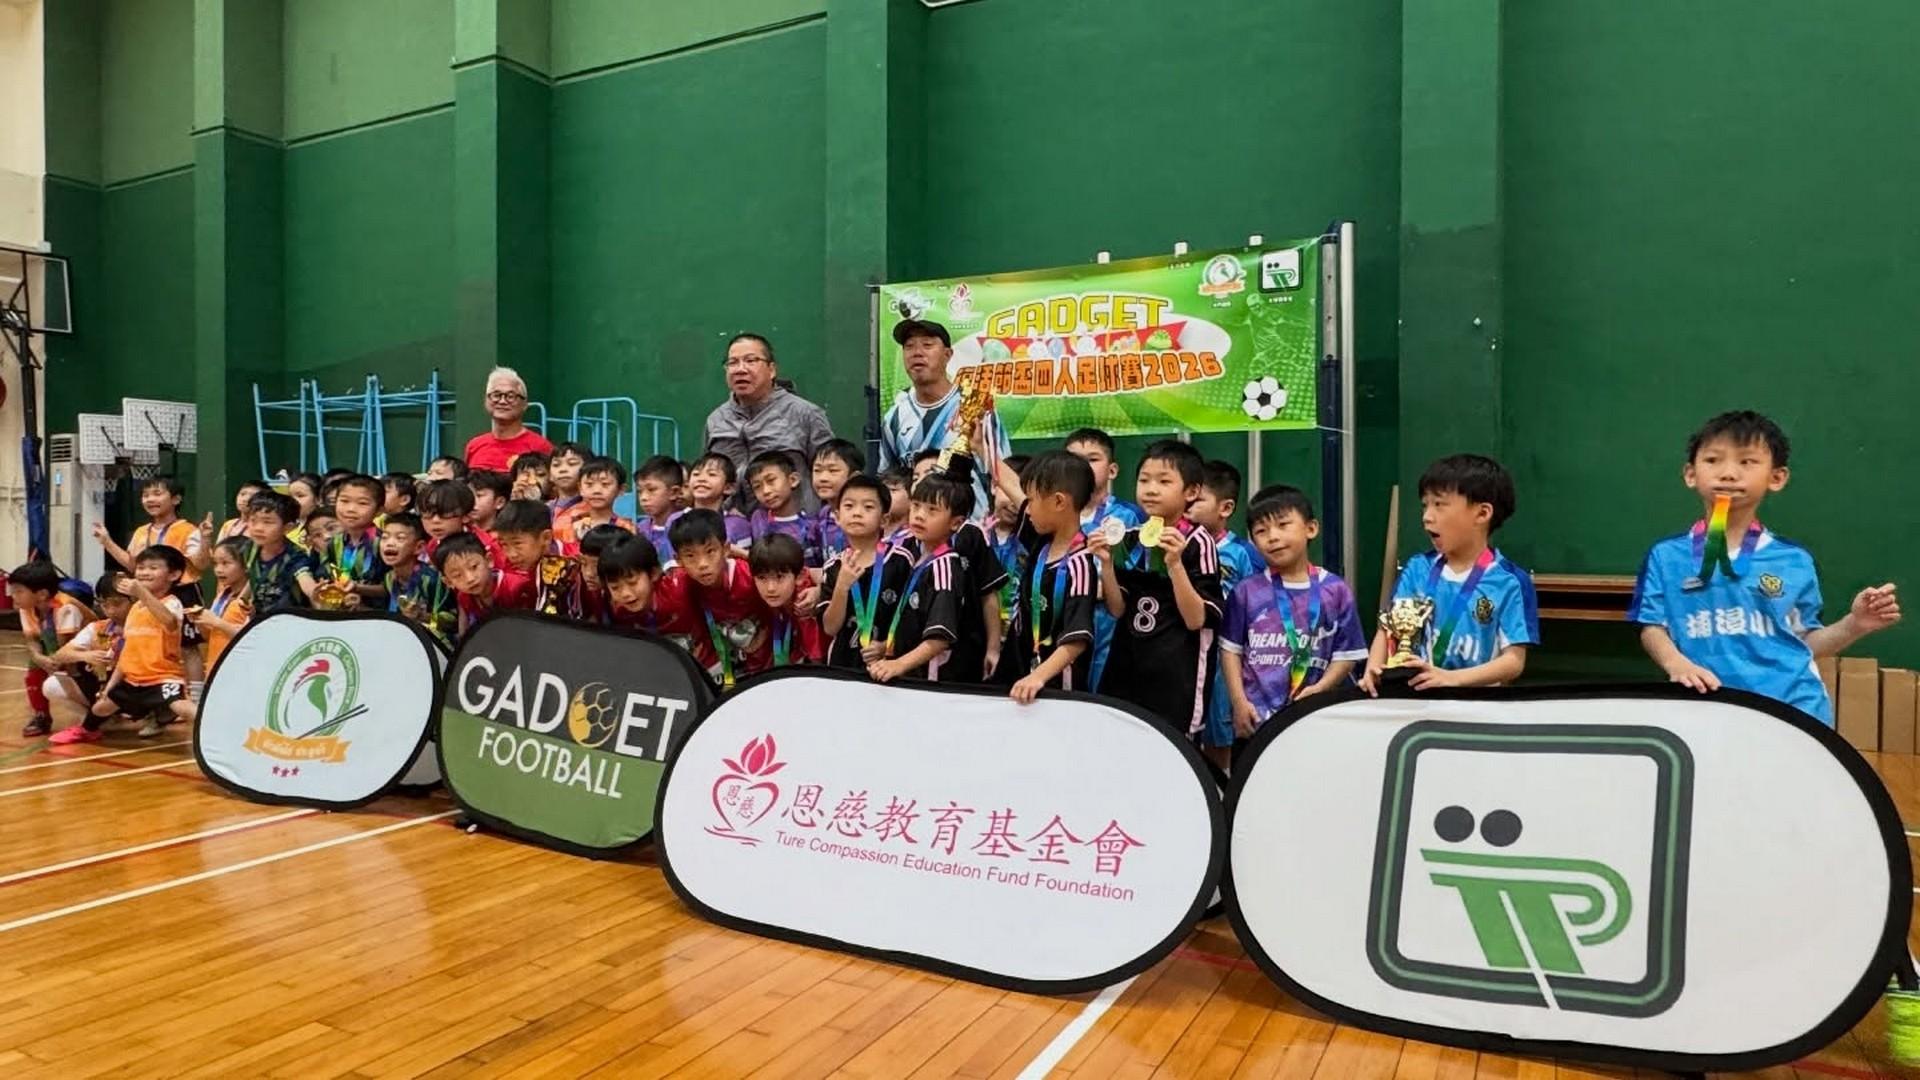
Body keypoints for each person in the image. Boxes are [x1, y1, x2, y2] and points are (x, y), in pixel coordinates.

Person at [1630, 411, 1899, 724]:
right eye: (1713, 460)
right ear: (1690, 474)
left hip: (1791, 709)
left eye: (1747, 462)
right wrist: (1677, 664)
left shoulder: (1794, 560)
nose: (1728, 474)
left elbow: (1804, 642)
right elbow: (1652, 627)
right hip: (1705, 707)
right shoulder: (1665, 556)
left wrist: (1855, 624)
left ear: (1777, 477)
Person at [1359, 454, 1539, 695]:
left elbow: (1513, 662)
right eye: (1425, 505)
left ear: (1482, 514)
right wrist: (1372, 668)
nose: (1427, 516)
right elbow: (1387, 630)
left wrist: (1451, 679)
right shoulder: (1417, 569)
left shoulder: (1510, 582)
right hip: (1413, 699)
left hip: (1475, 703)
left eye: (1439, 504)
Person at [1219, 486, 1367, 754]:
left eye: (1283, 525)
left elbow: (1347, 654)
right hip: (1256, 721)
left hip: (1316, 719)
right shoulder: (1246, 591)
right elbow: (1231, 651)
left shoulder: (1335, 590)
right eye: (1261, 531)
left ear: (1311, 528)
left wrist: (1321, 689)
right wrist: (1239, 702)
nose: (1273, 537)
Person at [1096, 440, 1225, 734]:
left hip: (1177, 674)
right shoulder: (1131, 537)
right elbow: (1117, 609)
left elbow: (1196, 620)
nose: (1151, 489)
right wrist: (1106, 564)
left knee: (1172, 748)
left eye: (1164, 481)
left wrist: (1175, 564)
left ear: (1191, 492)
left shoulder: (1198, 541)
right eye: (1144, 480)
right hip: (1127, 669)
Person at [54, 545, 194, 742]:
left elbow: (169, 621)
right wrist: (111, 685)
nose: (144, 572)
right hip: (133, 678)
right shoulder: (135, 609)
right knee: (100, 707)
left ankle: (215, 728)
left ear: (174, 574)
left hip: (162, 676)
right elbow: (128, 649)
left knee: (182, 707)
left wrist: (142, 593)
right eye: (141, 567)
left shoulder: (172, 602)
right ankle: (87, 730)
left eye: (153, 568)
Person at [878, 319, 1010, 520]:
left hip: (971, 526)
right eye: (909, 346)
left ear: (947, 355)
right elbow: (888, 479)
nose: (917, 353)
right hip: (917, 529)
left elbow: (1003, 472)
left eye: (927, 345)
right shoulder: (894, 417)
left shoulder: (976, 407)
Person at [998, 451, 1102, 702]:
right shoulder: (1041, 540)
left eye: (1031, 500)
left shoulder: (1080, 563)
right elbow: (1010, 484)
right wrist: (982, 447)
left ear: (1058, 502)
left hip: (1055, 686)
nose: (1025, 509)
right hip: (1020, 672)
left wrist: (1038, 677)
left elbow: (1077, 639)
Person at [703, 333, 834, 512]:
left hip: (794, 525)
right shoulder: (716, 420)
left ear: (772, 370)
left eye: (751, 360)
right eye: (732, 363)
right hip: (731, 525)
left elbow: (831, 475)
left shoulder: (805, 414)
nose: (740, 369)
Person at [1062, 429, 1145, 692]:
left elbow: (1133, 579)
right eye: (1074, 459)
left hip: (1110, 627)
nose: (1082, 467)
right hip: (1064, 622)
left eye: (1092, 459)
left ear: (1112, 470)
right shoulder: (1057, 513)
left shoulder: (1129, 517)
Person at [867, 472, 970, 683]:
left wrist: (898, 664)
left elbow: (939, 639)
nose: (920, 515)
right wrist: (887, 647)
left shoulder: (944, 567)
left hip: (931, 679)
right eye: (916, 506)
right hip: (909, 672)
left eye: (932, 510)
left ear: (956, 522)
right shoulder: (918, 557)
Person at [1190, 461, 1261, 760]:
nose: (1189, 505)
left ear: (1226, 508)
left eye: (1198, 499)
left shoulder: (1244, 554)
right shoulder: (1174, 545)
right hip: (1187, 649)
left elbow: (1257, 609)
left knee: (1219, 735)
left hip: (1224, 656)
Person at [668, 509, 773, 686]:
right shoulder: (682, 585)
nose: (702, 564)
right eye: (690, 556)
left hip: (770, 667)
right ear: (678, 560)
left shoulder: (752, 576)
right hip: (724, 673)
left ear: (725, 549)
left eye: (710, 551)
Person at [818, 474, 913, 671]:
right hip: (842, 666)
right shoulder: (833, 566)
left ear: (884, 519)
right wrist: (842, 586)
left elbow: (912, 620)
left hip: (889, 665)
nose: (857, 513)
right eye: (849, 506)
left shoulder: (901, 560)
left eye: (868, 507)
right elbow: (830, 628)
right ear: (837, 516)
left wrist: (887, 646)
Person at [10, 560, 96, 736]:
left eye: (19, 591)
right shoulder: (26, 607)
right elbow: (32, 640)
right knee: (34, 669)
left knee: (57, 679)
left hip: (88, 658)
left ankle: (96, 713)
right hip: (61, 649)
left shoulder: (66, 607)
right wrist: (39, 658)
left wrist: (52, 661)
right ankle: (41, 715)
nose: (13, 596)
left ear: (42, 594)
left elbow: (67, 647)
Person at [95, 476, 204, 608]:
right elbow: (133, 565)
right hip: (147, 592)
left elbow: (201, 565)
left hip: (182, 592)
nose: (150, 499)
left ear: (176, 499)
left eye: (157, 494)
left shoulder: (188, 530)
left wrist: (206, 540)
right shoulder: (141, 531)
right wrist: (107, 542)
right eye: (145, 495)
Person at [435, 532, 535, 638]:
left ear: (489, 560)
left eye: (474, 567)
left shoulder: (517, 586)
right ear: (449, 582)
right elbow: (465, 633)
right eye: (457, 575)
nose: (470, 579)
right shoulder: (464, 597)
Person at [748, 534, 826, 667]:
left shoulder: (804, 602)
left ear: (799, 576)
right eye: (762, 578)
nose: (770, 588)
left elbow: (817, 661)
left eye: (779, 577)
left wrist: (820, 590)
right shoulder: (757, 591)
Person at [381, 512, 456, 646]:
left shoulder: (433, 579)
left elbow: (451, 624)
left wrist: (422, 616)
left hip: (435, 645)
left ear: (419, 547)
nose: (389, 543)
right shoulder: (389, 578)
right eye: (385, 537)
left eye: (400, 538)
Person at [464, 366, 554, 472]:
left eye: (510, 396)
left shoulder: (540, 447)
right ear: (486, 400)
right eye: (496, 395)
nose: (502, 401)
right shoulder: (474, 446)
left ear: (524, 404)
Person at [241, 491, 314, 615]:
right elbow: (254, 578)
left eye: (267, 522)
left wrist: (314, 592)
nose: (258, 528)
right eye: (253, 520)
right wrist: (244, 599)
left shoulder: (296, 555)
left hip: (291, 619)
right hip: (260, 619)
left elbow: (304, 578)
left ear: (288, 528)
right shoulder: (249, 548)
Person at [747, 451, 824, 567]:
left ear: (793, 480)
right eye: (757, 486)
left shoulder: (811, 526)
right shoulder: (758, 519)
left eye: (771, 480)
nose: (766, 491)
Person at [323, 474, 388, 608]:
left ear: (379, 510)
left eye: (362, 503)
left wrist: (357, 588)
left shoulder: (384, 543)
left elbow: (393, 588)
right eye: (344, 501)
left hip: (379, 615)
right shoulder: (334, 543)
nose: (351, 509)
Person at [194, 538, 254, 674]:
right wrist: (200, 622)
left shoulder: (253, 598)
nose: (218, 570)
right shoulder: (222, 595)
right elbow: (210, 637)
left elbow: (248, 638)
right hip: (216, 667)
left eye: (225, 563)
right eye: (215, 563)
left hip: (239, 670)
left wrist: (216, 622)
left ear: (246, 565)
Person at [553, 456, 636, 547]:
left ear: (621, 489)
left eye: (605, 484)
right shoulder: (566, 525)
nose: (596, 490)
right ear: (580, 488)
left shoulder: (626, 528)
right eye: (589, 484)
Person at [599, 533, 669, 632]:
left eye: (632, 583)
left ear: (654, 573)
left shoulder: (680, 590)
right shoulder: (617, 610)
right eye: (615, 587)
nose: (625, 594)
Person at [686, 452, 753, 553]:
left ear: (728, 488)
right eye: (696, 474)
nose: (701, 479)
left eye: (711, 474)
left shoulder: (739, 524)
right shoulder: (676, 520)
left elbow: (745, 561)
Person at [810, 439, 864, 557]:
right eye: (817, 470)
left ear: (854, 477)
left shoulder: (863, 515)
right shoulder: (821, 517)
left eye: (833, 470)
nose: (823, 478)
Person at [633, 455, 687, 564]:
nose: (643, 497)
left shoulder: (688, 524)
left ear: (674, 492)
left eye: (651, 490)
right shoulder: (640, 529)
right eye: (640, 491)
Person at [575, 523, 632, 625]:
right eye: (584, 564)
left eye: (596, 566)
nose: (589, 573)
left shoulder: (633, 598)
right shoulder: (591, 591)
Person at [547, 442, 588, 515]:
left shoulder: (595, 508)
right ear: (550, 475)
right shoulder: (545, 509)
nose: (563, 469)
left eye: (572, 463)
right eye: (556, 465)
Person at [467, 469, 511, 533]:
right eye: (469, 494)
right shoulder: (460, 531)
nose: (471, 500)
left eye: (479, 495)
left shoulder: (506, 535)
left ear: (500, 502)